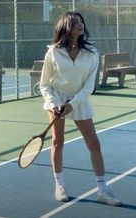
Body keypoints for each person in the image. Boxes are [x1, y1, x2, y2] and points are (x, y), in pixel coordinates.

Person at [40, 11, 121, 206]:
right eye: (75, 22)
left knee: (94, 144)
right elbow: (44, 84)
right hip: (57, 99)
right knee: (57, 142)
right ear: (66, 26)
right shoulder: (53, 52)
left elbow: (88, 86)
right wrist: (54, 103)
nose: (80, 24)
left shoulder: (92, 52)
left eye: (81, 21)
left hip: (79, 100)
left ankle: (102, 191)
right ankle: (59, 186)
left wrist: (72, 104)